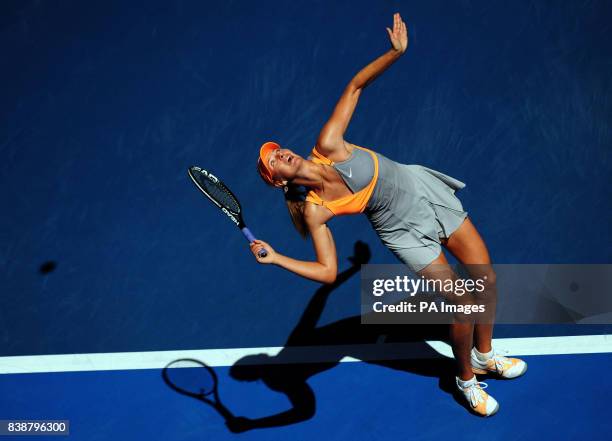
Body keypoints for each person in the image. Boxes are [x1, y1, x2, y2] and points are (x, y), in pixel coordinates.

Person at [250, 13, 526, 417]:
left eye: (278, 149)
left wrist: (394, 53)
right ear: (277, 180)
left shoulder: (328, 143)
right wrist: (275, 258)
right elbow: (325, 273)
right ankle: (465, 379)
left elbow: (355, 86)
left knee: (487, 277)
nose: (281, 153)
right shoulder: (316, 210)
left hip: (424, 190)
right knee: (463, 303)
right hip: (402, 230)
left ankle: (484, 355)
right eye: (274, 160)